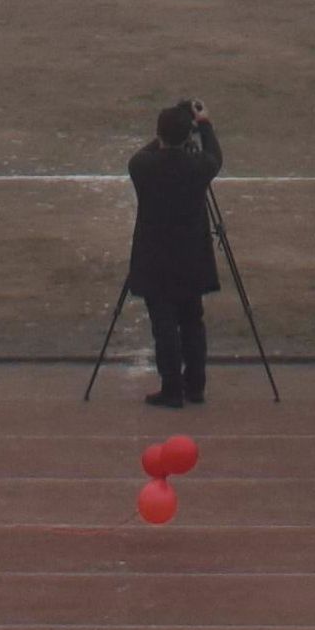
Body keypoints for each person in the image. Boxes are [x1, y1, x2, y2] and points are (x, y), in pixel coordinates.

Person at [125, 100, 226, 410]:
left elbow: (146, 152)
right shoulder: (199, 168)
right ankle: (195, 385)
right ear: (187, 137)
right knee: (192, 320)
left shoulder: (143, 167)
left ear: (159, 135)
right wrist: (204, 125)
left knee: (164, 324)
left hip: (155, 257)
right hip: (192, 256)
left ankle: (171, 388)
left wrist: (170, 133)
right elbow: (215, 158)